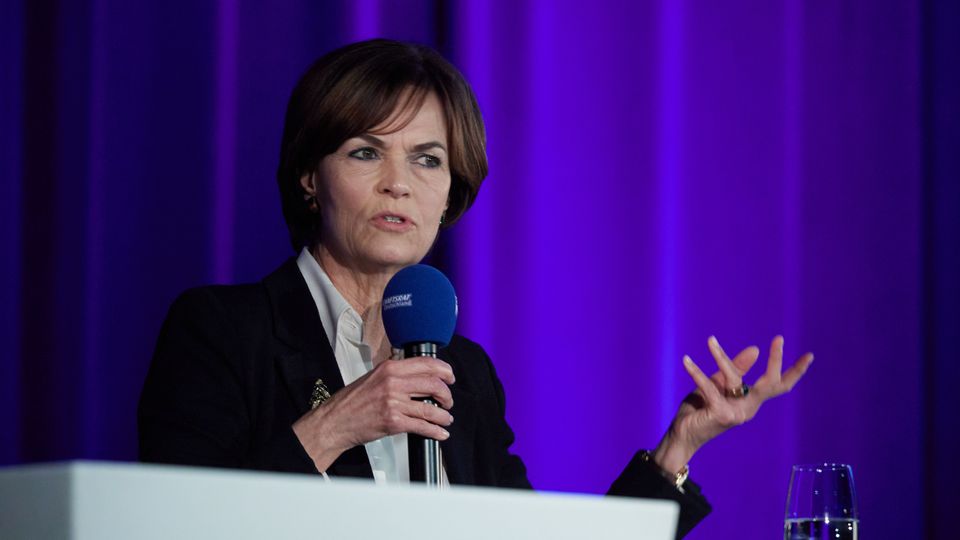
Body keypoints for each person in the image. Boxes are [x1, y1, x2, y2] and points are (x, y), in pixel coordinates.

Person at [138, 38, 813, 538]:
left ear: (450, 192)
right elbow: (172, 527)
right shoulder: (223, 331)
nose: (398, 183)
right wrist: (336, 424)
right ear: (310, 177)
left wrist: (678, 449)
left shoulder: (465, 373)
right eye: (366, 152)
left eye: (427, 160)